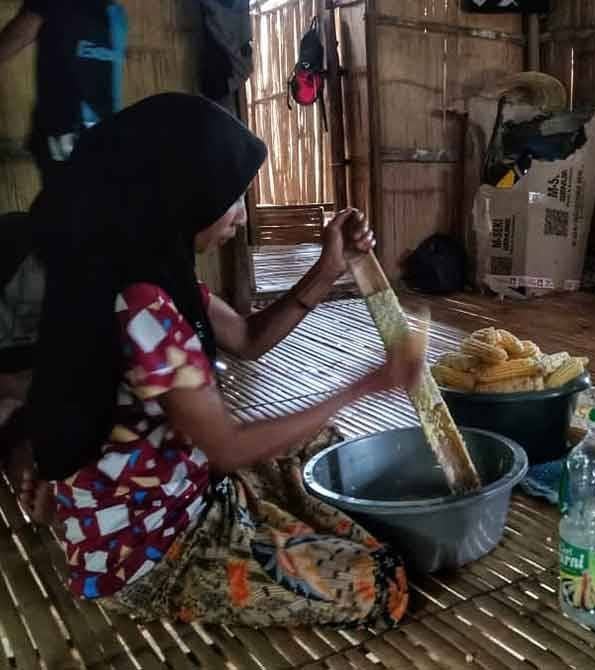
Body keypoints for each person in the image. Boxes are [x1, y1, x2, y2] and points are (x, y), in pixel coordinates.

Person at [4, 93, 420, 628]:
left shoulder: (150, 269)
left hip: (187, 484)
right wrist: (365, 385)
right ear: (182, 197)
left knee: (320, 448)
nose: (241, 215)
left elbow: (246, 337)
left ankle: (269, 521)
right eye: (231, 199)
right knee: (381, 581)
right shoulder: (140, 304)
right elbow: (225, 447)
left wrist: (327, 268)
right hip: (154, 550)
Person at [0, 0, 128, 186]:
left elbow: (19, 34)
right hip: (105, 132)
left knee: (66, 203)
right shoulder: (114, 11)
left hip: (67, 133)